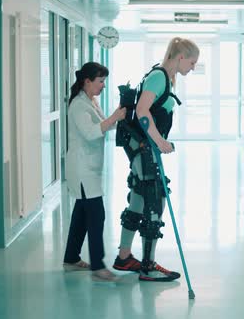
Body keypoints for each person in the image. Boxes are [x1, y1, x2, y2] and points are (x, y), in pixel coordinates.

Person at [113, 37, 200, 281]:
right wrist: (159, 142)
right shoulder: (159, 77)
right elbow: (142, 110)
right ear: (180, 57)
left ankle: (124, 257)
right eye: (192, 63)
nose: (192, 68)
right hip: (144, 146)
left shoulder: (165, 78)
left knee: (140, 197)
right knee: (154, 199)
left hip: (142, 146)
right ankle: (148, 267)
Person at [63, 62, 126, 282]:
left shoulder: (91, 101)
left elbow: (104, 125)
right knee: (96, 215)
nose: (103, 86)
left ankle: (71, 258)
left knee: (81, 214)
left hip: (89, 168)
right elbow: (91, 133)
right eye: (100, 81)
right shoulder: (79, 106)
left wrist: (119, 117)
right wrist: (114, 118)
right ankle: (99, 267)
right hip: (82, 169)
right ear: (87, 81)